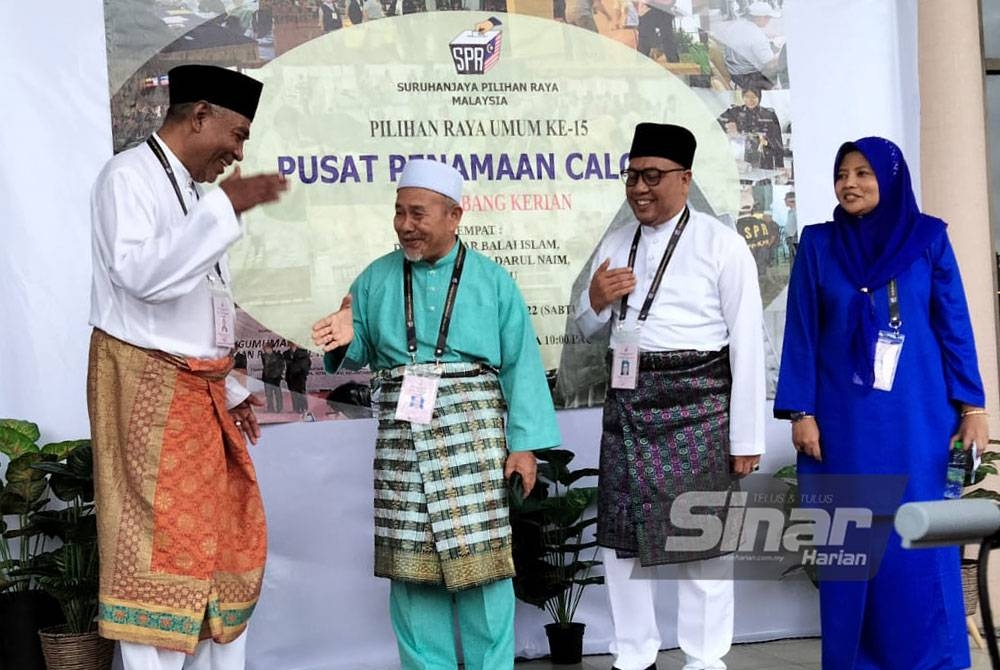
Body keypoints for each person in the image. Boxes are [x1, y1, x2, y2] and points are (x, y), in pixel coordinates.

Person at [311, 158, 560, 670]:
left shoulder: (493, 281)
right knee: (412, 571)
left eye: (418, 214)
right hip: (402, 443)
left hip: (475, 439)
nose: (406, 225)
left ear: (454, 216)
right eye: (399, 213)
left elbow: (521, 365)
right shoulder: (376, 278)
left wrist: (525, 446)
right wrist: (343, 334)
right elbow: (353, 347)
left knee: (485, 569)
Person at [87, 64, 287, 669]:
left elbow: (196, 308)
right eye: (238, 133)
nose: (239, 151)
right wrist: (225, 207)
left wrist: (227, 386)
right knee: (161, 556)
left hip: (196, 393)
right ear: (199, 116)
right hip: (147, 390)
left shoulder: (194, 192)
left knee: (215, 552)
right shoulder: (127, 177)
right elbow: (142, 281)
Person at [774, 137, 989, 670]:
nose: (850, 183)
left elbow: (953, 325)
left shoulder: (928, 239)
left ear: (890, 179)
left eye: (864, 173)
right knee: (853, 550)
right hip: (841, 428)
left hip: (920, 422)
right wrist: (801, 412)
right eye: (842, 173)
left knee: (918, 546)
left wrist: (973, 407)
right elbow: (801, 330)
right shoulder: (820, 245)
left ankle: (933, 660)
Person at [574, 123, 766, 670]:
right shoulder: (615, 244)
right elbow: (590, 331)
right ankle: (634, 656)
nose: (639, 188)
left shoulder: (721, 244)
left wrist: (745, 436)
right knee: (619, 542)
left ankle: (705, 660)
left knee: (702, 542)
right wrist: (593, 300)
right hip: (629, 405)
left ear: (684, 179)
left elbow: (748, 345)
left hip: (700, 404)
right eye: (632, 175)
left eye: (652, 176)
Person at [722, 1, 780, 91]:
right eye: (768, 17)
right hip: (749, 78)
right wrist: (781, 54)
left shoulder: (736, 26)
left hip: (735, 73)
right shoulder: (757, 35)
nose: (769, 20)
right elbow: (769, 62)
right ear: (759, 18)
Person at [283, 342, 312, 415]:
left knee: (301, 392)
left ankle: (304, 408)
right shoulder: (286, 353)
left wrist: (304, 373)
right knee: (293, 393)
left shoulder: (303, 352)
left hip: (300, 376)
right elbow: (286, 365)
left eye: (293, 343)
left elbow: (307, 364)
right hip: (290, 376)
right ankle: (296, 408)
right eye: (290, 343)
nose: (292, 344)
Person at [260, 341, 285, 412]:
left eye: (265, 348)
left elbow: (281, 366)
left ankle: (279, 408)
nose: (264, 349)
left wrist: (278, 374)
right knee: (268, 394)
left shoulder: (278, 355)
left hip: (276, 378)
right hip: (267, 378)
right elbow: (265, 363)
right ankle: (270, 408)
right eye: (264, 348)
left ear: (270, 348)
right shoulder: (264, 356)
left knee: (278, 394)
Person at [782, 190, 796, 262]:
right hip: (790, 238)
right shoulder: (790, 211)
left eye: (785, 199)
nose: (784, 201)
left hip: (793, 239)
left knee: (794, 260)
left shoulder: (795, 211)